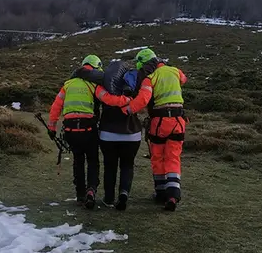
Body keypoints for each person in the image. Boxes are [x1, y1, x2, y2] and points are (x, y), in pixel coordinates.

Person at [47, 55, 132, 209]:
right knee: (92, 161)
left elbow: (55, 107)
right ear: (95, 68)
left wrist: (52, 128)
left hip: (70, 130)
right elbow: (109, 99)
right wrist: (127, 100)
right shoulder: (93, 85)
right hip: (88, 129)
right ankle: (91, 191)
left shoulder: (68, 84)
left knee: (78, 161)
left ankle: (80, 195)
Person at [120, 48, 188, 212]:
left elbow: (143, 100)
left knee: (158, 156)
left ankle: (161, 192)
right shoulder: (175, 71)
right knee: (173, 157)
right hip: (179, 121)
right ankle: (173, 195)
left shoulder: (149, 78)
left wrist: (127, 109)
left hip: (160, 122)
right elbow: (183, 79)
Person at [94, 59, 143, 211]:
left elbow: (99, 96)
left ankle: (109, 198)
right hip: (132, 134)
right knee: (127, 165)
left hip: (108, 134)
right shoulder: (134, 85)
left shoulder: (102, 86)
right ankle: (124, 193)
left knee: (110, 166)